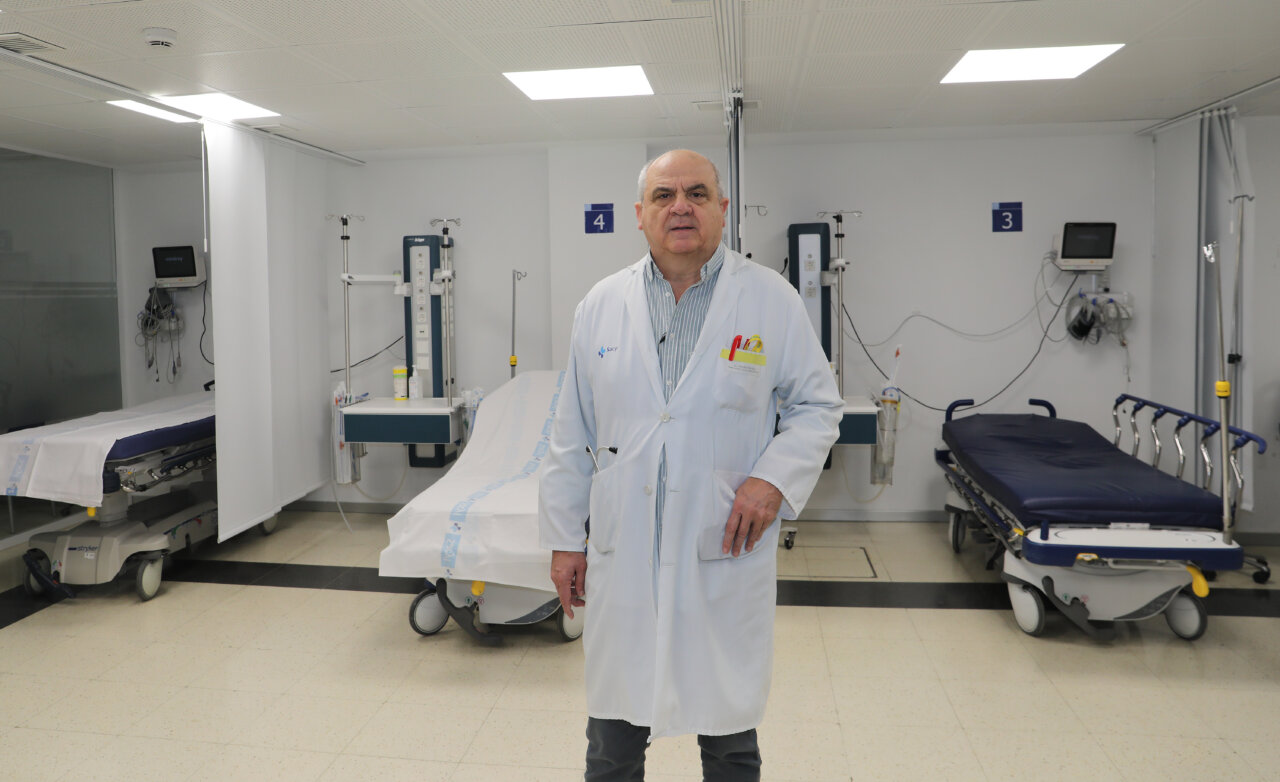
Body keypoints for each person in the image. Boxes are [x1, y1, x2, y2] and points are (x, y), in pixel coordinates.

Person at [539, 149, 842, 782]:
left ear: (722, 210)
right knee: (612, 739)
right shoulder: (600, 305)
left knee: (730, 740)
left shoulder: (769, 300)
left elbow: (818, 404)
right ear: (641, 216)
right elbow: (571, 431)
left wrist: (771, 481)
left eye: (698, 194)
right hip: (625, 557)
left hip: (721, 549)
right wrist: (566, 540)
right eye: (665, 196)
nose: (681, 206)